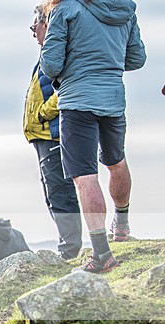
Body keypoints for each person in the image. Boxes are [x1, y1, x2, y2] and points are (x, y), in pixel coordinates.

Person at [40, 0, 146, 273]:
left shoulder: (65, 9)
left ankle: (102, 255)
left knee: (85, 176)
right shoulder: (125, 8)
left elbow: (50, 65)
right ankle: (121, 226)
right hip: (113, 98)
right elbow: (136, 59)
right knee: (117, 162)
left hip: (77, 101)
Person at [24, 3, 82, 260]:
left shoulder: (58, 52)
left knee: (60, 191)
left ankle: (70, 250)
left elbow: (66, 91)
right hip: (43, 135)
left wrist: (41, 114)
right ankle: (67, 246)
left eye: (34, 27)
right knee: (53, 191)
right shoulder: (48, 55)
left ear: (46, 24)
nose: (33, 33)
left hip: (53, 133)